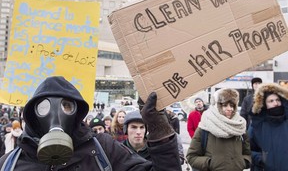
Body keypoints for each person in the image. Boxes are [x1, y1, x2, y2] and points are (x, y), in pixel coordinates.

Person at [0, 76, 181, 170]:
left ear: (77, 112)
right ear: (32, 116)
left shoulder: (103, 150)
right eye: (43, 108)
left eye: (66, 106)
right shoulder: (10, 164)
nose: (56, 115)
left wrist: (159, 131)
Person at [186, 88, 251, 171]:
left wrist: (242, 162)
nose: (229, 109)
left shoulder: (240, 126)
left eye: (232, 105)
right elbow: (191, 157)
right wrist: (210, 163)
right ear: (217, 106)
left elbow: (248, 153)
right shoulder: (205, 127)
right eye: (225, 105)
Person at [249, 83, 288, 170]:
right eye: (271, 101)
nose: (276, 103)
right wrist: (261, 159)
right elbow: (247, 150)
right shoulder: (257, 126)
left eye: (277, 100)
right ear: (264, 105)